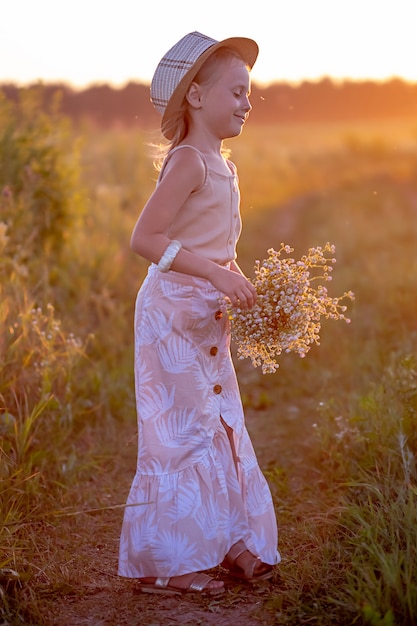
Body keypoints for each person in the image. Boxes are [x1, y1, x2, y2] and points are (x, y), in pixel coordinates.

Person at [118, 31, 280, 596]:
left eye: (248, 94)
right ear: (195, 97)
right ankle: (170, 561)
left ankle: (229, 541)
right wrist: (214, 273)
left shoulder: (222, 163)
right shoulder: (189, 161)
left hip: (206, 315)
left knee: (217, 424)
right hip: (171, 316)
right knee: (178, 436)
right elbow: (145, 238)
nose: (246, 103)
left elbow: (212, 243)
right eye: (235, 92)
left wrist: (233, 277)